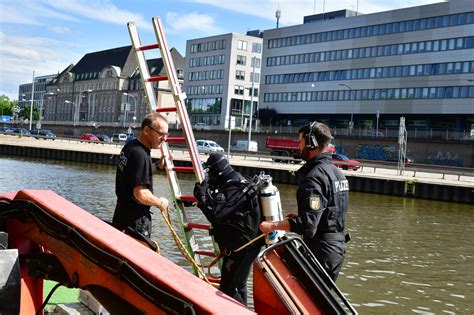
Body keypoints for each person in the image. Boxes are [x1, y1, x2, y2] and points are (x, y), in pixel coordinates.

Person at [259, 121, 349, 281]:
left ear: (311, 143)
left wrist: (272, 226)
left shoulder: (314, 177)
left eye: (300, 142)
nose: (298, 146)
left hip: (320, 252)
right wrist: (302, 215)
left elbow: (308, 226)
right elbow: (329, 213)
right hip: (335, 250)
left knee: (280, 280)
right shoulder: (337, 173)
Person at [193, 153, 263, 306]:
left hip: (243, 246)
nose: (209, 176)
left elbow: (216, 214)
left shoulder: (235, 185)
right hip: (248, 244)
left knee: (227, 289)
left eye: (210, 171)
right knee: (240, 285)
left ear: (217, 170)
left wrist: (201, 196)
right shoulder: (235, 182)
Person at [112, 112, 170, 240]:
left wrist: (156, 166)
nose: (164, 139)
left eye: (166, 135)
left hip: (121, 215)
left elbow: (134, 174)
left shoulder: (131, 146)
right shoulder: (141, 155)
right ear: (146, 130)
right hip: (135, 222)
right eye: (161, 134)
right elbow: (140, 194)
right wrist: (160, 203)